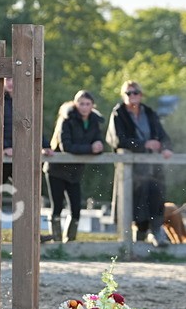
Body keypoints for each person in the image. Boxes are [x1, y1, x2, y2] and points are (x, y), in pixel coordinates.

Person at [106, 79, 174, 247]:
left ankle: (155, 235)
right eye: (128, 93)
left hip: (152, 166)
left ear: (141, 95)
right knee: (134, 205)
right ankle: (132, 245)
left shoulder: (149, 113)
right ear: (123, 96)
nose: (132, 96)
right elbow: (118, 140)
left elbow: (163, 135)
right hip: (131, 169)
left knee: (156, 198)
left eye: (135, 92)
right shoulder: (118, 114)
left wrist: (165, 147)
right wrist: (143, 144)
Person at [47, 90, 106, 242]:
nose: (84, 107)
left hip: (75, 171)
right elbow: (66, 146)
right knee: (57, 207)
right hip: (57, 170)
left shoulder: (94, 121)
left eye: (87, 104)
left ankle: (70, 240)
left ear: (92, 105)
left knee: (76, 209)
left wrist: (99, 147)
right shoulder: (66, 119)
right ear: (75, 104)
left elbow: (98, 142)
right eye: (81, 103)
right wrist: (90, 148)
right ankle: (56, 240)